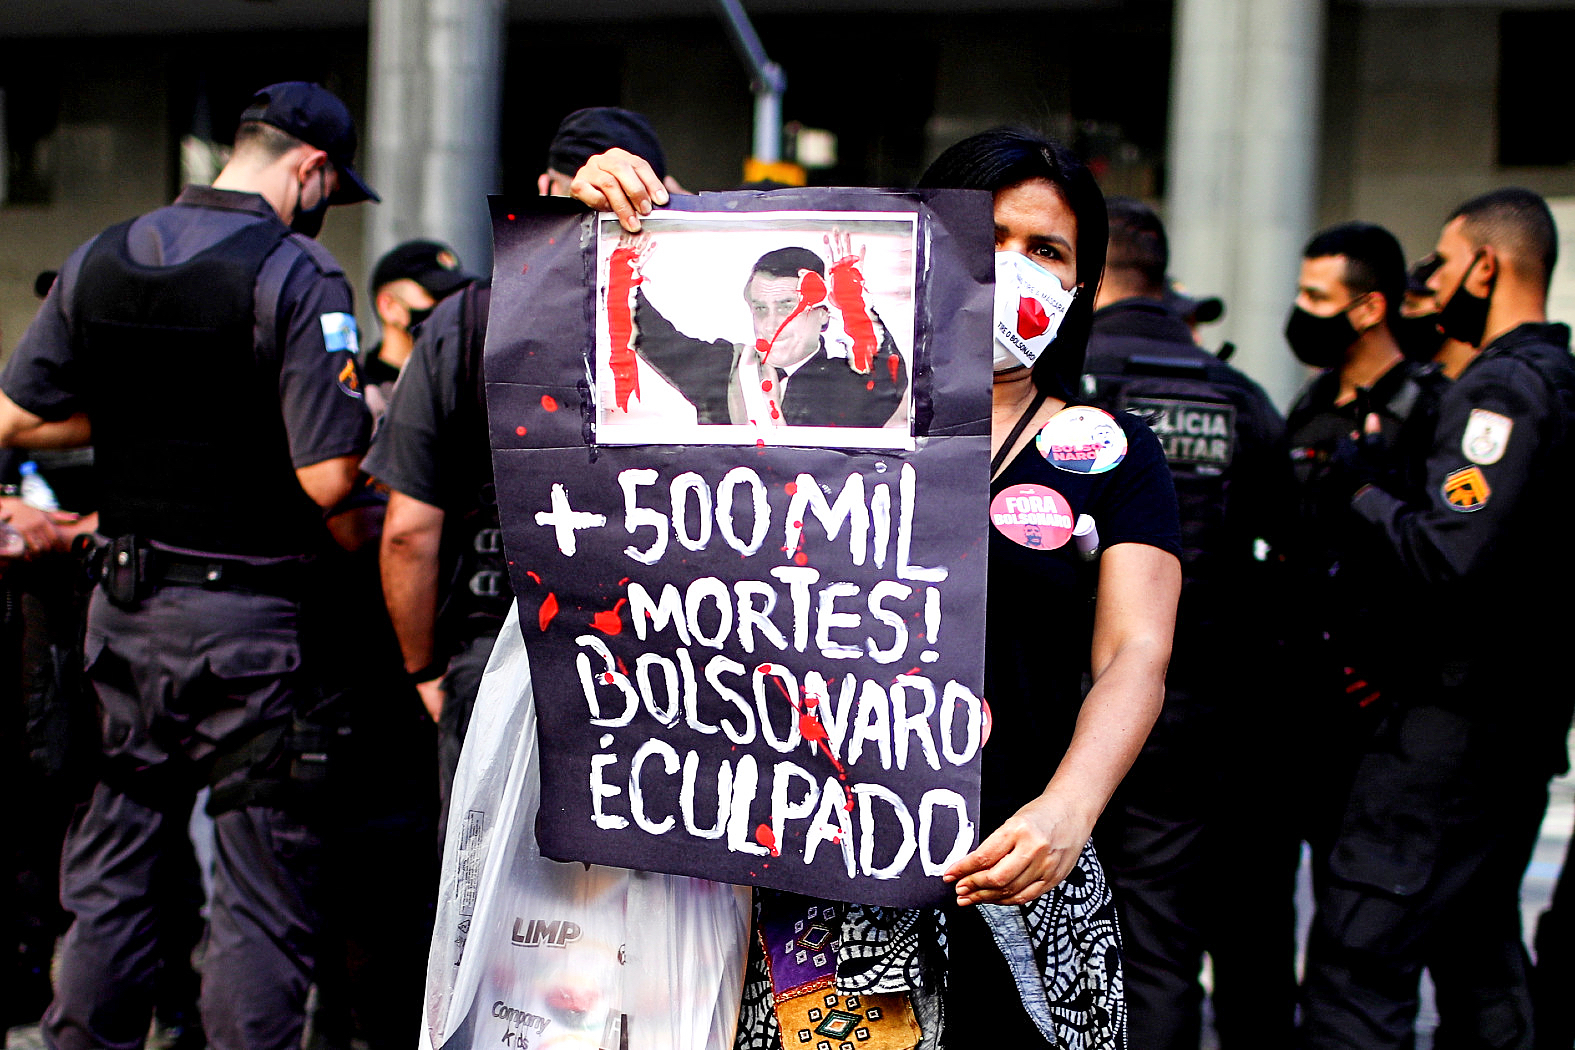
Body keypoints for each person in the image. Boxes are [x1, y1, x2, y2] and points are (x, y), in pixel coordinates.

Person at [574, 126, 1182, 1048]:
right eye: (987, 235)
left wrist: (1068, 808)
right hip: (823, 885)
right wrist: (621, 214)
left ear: (1082, 285)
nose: (1010, 266)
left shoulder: (1111, 453)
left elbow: (1135, 650)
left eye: (1046, 250)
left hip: (1023, 872)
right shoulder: (811, 421)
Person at [0, 81, 376, 1050]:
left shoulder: (100, 255)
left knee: (110, 881)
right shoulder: (297, 272)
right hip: (252, 632)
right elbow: (330, 477)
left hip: (122, 619)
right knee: (256, 896)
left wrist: (145, 414)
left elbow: (15, 415)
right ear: (311, 170)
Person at [1298, 188, 1575, 1050]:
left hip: (1450, 728)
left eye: (1442, 266)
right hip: (1512, 727)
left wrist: (1361, 492)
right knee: (1476, 949)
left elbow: (1449, 554)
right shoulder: (1557, 380)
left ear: (1484, 269)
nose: (1431, 285)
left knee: (1356, 958)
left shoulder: (1502, 388)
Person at [1080, 197, 1294, 1049]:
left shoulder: (1060, 389)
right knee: (1156, 940)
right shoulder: (1238, 396)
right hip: (1198, 709)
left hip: (1059, 705)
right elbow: (1285, 553)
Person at [364, 277, 507, 841]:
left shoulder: (467, 319)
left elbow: (407, 533)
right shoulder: (690, 288)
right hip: (659, 652)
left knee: (478, 870)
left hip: (491, 650)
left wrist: (424, 670)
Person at [612, 240, 909, 428]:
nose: (771, 323)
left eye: (787, 307)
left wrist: (854, 303)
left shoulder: (849, 383)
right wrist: (622, 283)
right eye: (760, 308)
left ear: (823, 314)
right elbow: (658, 341)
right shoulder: (726, 370)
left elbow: (890, 380)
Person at [360, 239, 474, 418]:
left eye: (457, 296)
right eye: (438, 295)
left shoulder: (467, 386)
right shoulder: (357, 395)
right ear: (389, 307)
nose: (451, 307)